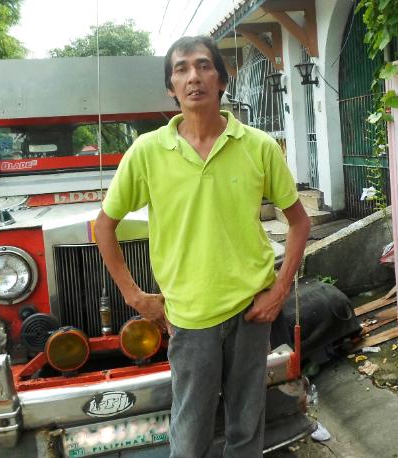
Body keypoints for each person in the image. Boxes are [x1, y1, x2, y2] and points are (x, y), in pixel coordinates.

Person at [95, 36, 310, 458]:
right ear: (171, 88)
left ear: (222, 81)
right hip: (189, 319)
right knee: (190, 438)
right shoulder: (147, 152)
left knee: (246, 431)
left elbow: (300, 222)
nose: (193, 77)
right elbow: (104, 226)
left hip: (251, 311)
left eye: (203, 66)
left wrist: (280, 289)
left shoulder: (259, 146)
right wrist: (135, 297)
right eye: (181, 69)